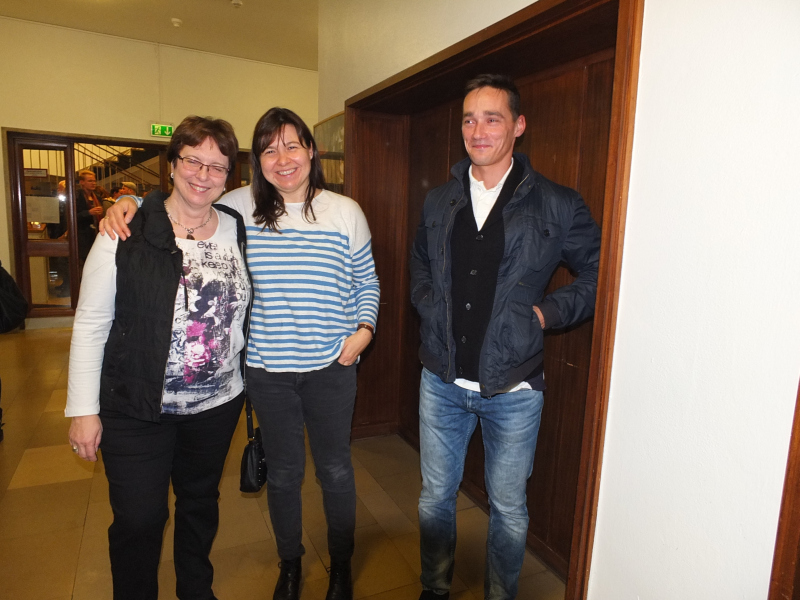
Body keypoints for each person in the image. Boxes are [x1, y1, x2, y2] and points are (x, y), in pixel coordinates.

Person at [103, 107, 380, 600]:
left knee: (336, 470)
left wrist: (364, 329)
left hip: (332, 367)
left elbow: (367, 281)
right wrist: (130, 200)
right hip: (268, 372)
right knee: (285, 475)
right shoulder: (240, 208)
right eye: (269, 149)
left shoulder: (345, 211)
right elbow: (185, 197)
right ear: (257, 162)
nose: (282, 159)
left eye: (292, 146)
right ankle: (290, 564)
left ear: (311, 151)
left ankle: (340, 564)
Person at [409, 74, 601, 600]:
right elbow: (420, 262)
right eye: (469, 120)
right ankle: (434, 589)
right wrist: (428, 304)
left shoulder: (558, 204)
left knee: (509, 508)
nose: (478, 131)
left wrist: (545, 314)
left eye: (492, 119)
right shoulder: (440, 200)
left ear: (518, 126)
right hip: (441, 380)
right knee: (434, 497)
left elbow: (598, 271)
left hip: (515, 388)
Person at [66, 115, 251, 600]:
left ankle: (196, 590)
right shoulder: (126, 227)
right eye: (193, 160)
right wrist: (82, 410)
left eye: (217, 166)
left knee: (199, 504)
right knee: (139, 518)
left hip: (216, 406)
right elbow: (91, 322)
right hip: (136, 406)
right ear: (172, 164)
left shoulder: (234, 226)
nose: (203, 175)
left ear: (228, 176)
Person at [74, 169, 104, 263]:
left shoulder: (97, 197)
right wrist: (88, 213)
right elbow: (71, 217)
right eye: (90, 181)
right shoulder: (76, 196)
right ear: (82, 182)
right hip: (82, 236)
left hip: (95, 234)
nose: (93, 183)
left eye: (94, 181)